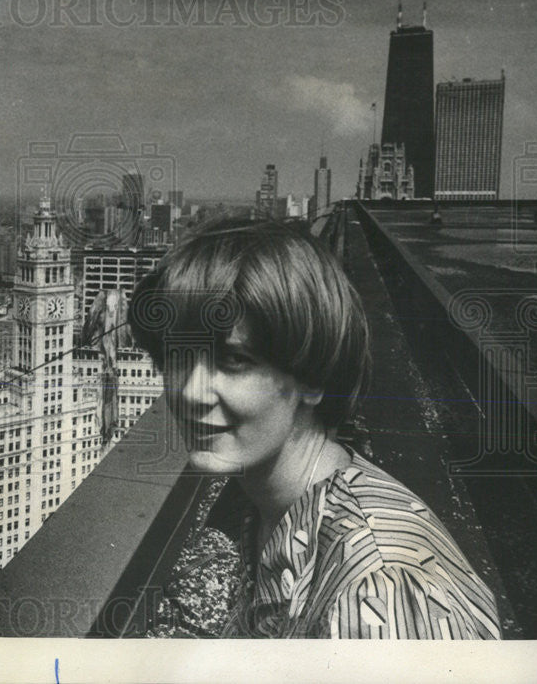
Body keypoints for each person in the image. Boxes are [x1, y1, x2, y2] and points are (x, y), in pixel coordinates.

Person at [127, 216, 500, 639]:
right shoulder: (267, 503)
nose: (192, 391)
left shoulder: (379, 588)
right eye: (178, 356)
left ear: (313, 378)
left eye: (233, 361)